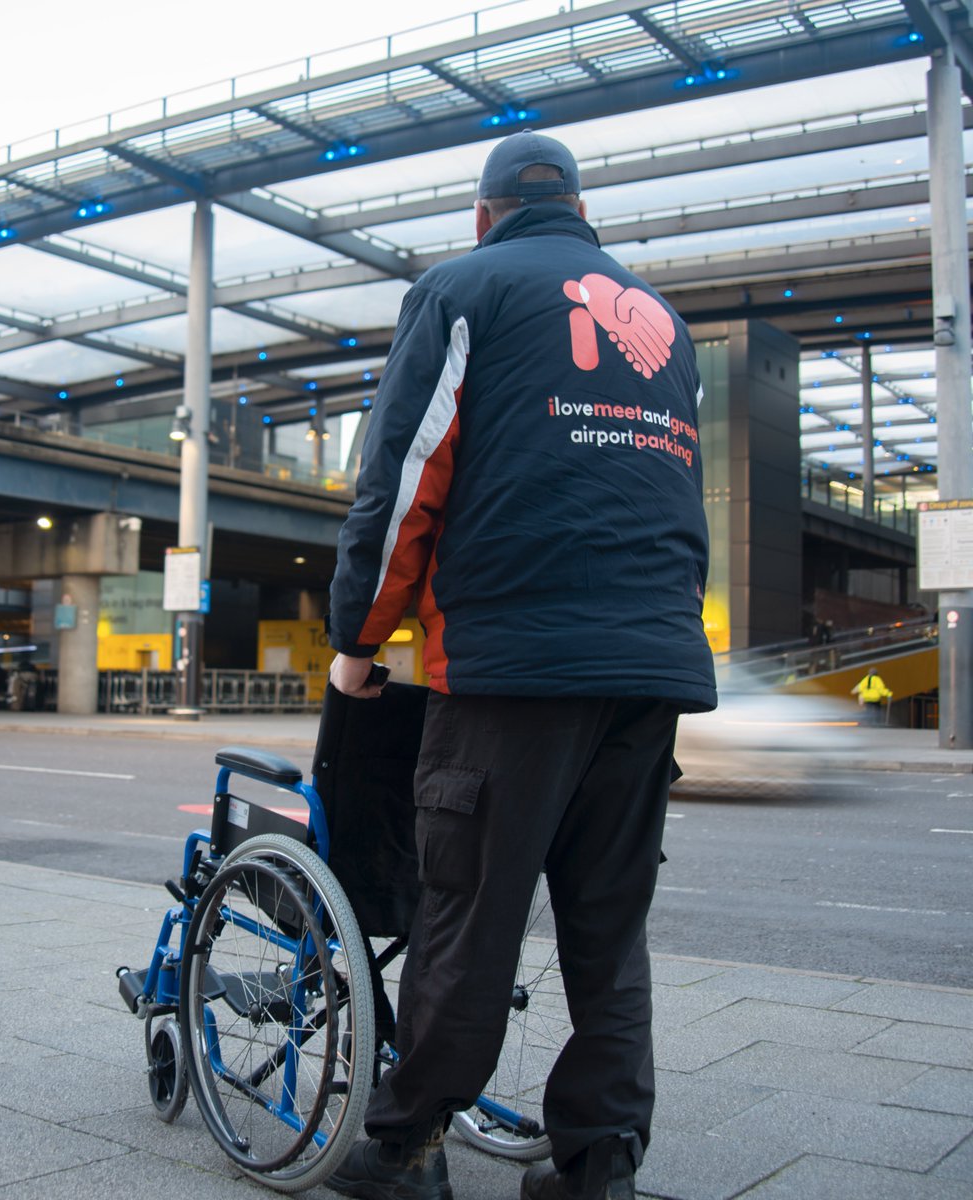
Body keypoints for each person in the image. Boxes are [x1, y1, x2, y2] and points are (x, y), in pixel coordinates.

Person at [325, 131, 716, 1200]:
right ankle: (601, 1166)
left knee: (469, 908)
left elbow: (404, 481)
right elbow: (676, 498)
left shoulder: (463, 289)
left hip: (511, 666)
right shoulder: (664, 322)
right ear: (582, 209)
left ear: (484, 214)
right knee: (607, 923)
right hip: (651, 669)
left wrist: (360, 641)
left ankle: (403, 1148)